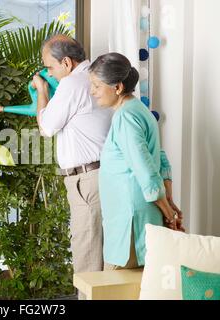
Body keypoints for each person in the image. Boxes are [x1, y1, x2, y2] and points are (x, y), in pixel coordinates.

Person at [31, 34, 113, 298]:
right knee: (108, 257)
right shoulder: (96, 76)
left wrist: (42, 93)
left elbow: (46, 127)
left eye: (51, 67)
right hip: (103, 175)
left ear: (66, 62)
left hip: (86, 180)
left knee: (87, 256)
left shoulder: (72, 83)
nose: (50, 74)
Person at [88, 52, 184, 270]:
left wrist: (169, 216)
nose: (92, 92)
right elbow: (160, 157)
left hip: (130, 220)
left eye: (96, 85)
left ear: (117, 87)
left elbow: (145, 171)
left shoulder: (126, 117)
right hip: (134, 214)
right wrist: (168, 200)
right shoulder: (138, 109)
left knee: (118, 287)